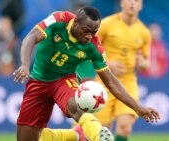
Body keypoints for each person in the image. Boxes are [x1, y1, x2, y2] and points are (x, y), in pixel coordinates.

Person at [13, 6, 160, 141]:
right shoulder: (59, 20)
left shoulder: (94, 47)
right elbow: (31, 38)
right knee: (27, 138)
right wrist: (25, 65)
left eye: (94, 32)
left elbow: (111, 81)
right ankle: (77, 135)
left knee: (75, 107)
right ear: (75, 22)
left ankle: (98, 137)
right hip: (38, 81)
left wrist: (137, 107)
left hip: (63, 80)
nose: (90, 36)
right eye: (87, 30)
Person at [84, 0, 153, 141]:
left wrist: (142, 63)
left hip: (128, 83)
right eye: (129, 0)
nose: (132, 4)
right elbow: (88, 49)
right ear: (122, 3)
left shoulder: (144, 33)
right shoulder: (107, 24)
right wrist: (107, 63)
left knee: (125, 126)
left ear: (141, 5)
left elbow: (147, 62)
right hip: (105, 81)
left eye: (136, 1)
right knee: (103, 129)